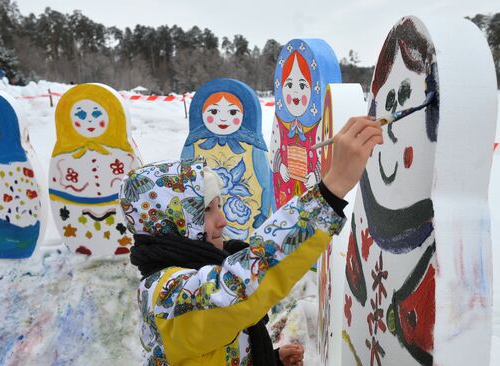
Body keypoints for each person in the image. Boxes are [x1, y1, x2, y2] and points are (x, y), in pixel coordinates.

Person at [119, 117, 383, 365]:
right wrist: (332, 189)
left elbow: (214, 345)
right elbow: (240, 290)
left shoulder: (198, 269)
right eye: (207, 211)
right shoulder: (166, 295)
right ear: (170, 224)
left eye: (219, 206)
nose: (222, 220)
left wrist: (267, 359)